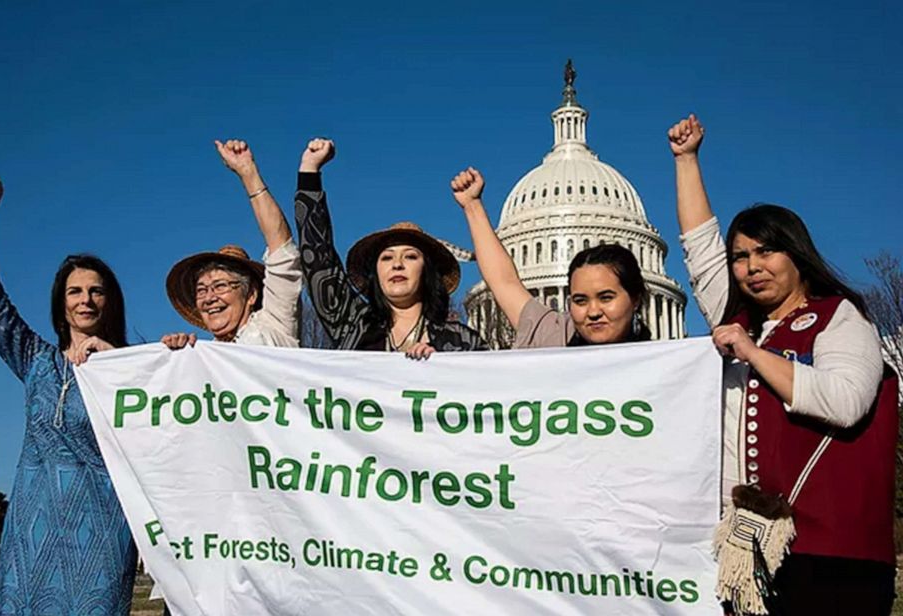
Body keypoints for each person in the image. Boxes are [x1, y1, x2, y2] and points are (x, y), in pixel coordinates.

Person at [669, 114, 897, 614]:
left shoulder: (839, 317)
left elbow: (845, 401)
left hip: (835, 555)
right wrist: (686, 161)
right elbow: (701, 251)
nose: (752, 267)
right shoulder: (741, 320)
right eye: (741, 257)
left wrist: (753, 354)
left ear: (795, 253)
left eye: (766, 251)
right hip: (752, 548)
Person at [0, 174, 137, 614]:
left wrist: (120, 363)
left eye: (96, 291)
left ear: (110, 301)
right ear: (61, 303)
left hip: (100, 536)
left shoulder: (131, 369)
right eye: (75, 291)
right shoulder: (36, 361)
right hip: (32, 534)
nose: (86, 300)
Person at [295, 139, 486, 356]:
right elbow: (319, 261)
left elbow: (488, 382)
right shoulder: (354, 325)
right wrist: (309, 170)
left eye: (411, 257)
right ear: (375, 272)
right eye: (386, 258)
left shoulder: (462, 341)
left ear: (427, 271)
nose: (397, 265)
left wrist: (443, 366)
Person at [451, 167, 652, 347]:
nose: (593, 312)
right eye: (580, 300)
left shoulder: (664, 363)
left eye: (606, 297)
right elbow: (504, 282)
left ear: (635, 299)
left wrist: (684, 160)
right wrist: (472, 205)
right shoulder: (555, 337)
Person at [163, 139, 300, 349]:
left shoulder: (274, 324)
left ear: (252, 294)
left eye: (220, 286)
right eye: (201, 290)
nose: (209, 298)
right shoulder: (201, 355)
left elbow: (281, 247)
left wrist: (248, 173)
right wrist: (172, 356)